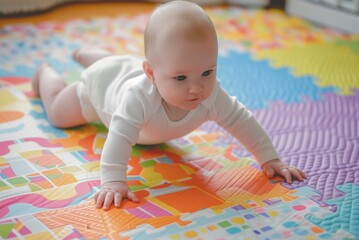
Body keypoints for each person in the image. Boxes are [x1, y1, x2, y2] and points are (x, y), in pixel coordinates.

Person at [32, 0, 306, 210]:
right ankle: (45, 74)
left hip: (132, 70)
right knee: (59, 113)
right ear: (151, 74)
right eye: (181, 77)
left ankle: (94, 56)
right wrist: (114, 181)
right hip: (99, 93)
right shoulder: (137, 98)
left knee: (121, 64)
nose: (196, 88)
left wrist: (270, 158)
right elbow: (118, 138)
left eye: (207, 72)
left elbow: (240, 119)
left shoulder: (209, 94)